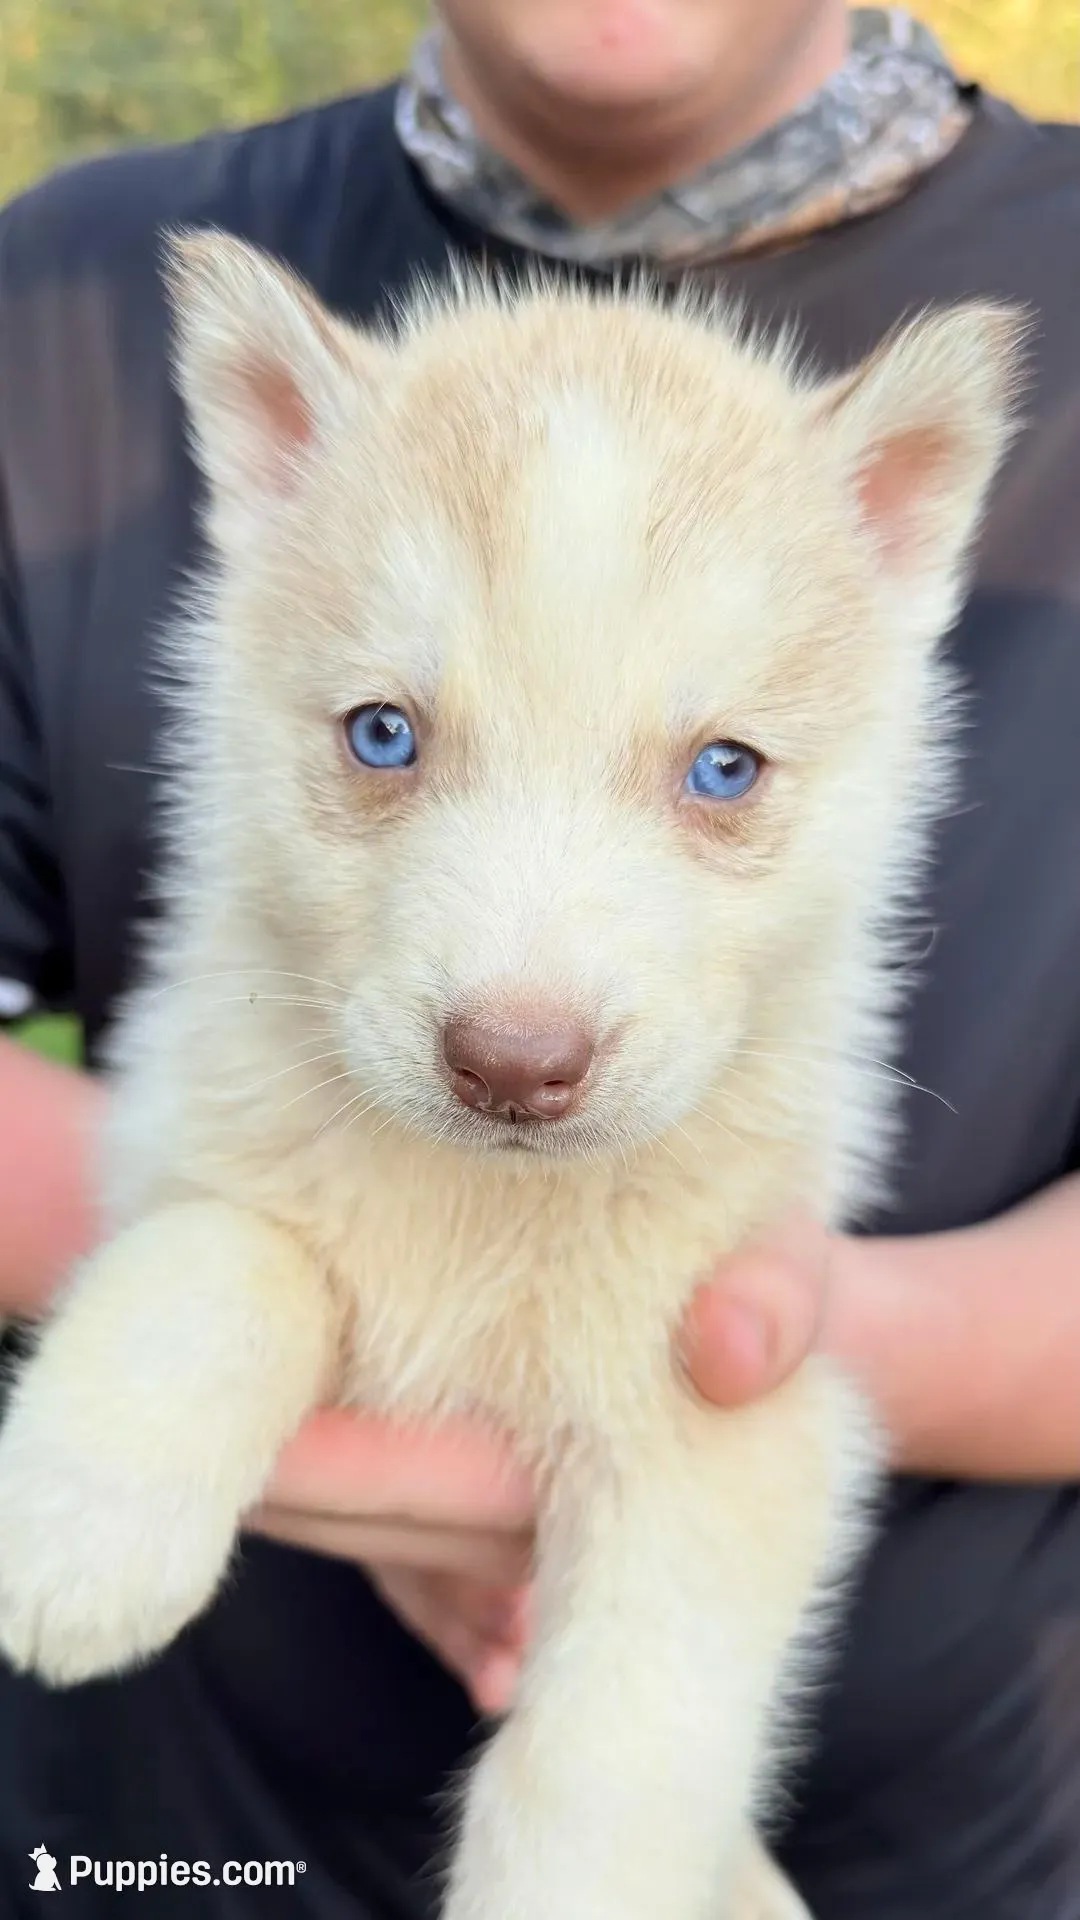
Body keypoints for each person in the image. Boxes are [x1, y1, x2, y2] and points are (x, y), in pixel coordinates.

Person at [1, 2, 1079, 1913]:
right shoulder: (60, 291)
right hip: (165, 1843)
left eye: (721, 772)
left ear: (901, 518)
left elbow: (733, 1420)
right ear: (267, 455)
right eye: (385, 739)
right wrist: (217, 1318)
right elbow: (241, 1202)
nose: (521, 1009)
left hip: (954, 1841)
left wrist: (770, 1348)